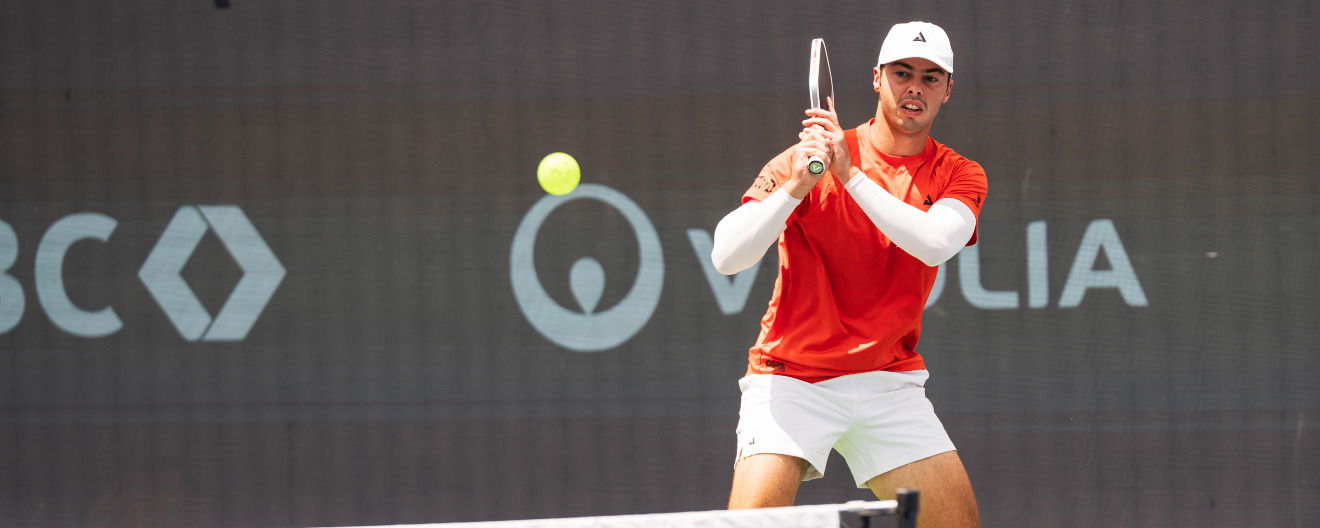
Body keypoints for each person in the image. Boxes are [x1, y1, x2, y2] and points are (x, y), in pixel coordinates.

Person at [710, 21, 985, 527]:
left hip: (888, 381)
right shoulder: (802, 162)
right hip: (792, 378)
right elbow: (727, 256)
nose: (914, 88)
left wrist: (849, 175)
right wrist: (796, 186)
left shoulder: (959, 173)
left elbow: (934, 243)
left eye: (930, 77)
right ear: (877, 78)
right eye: (903, 73)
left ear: (948, 89)